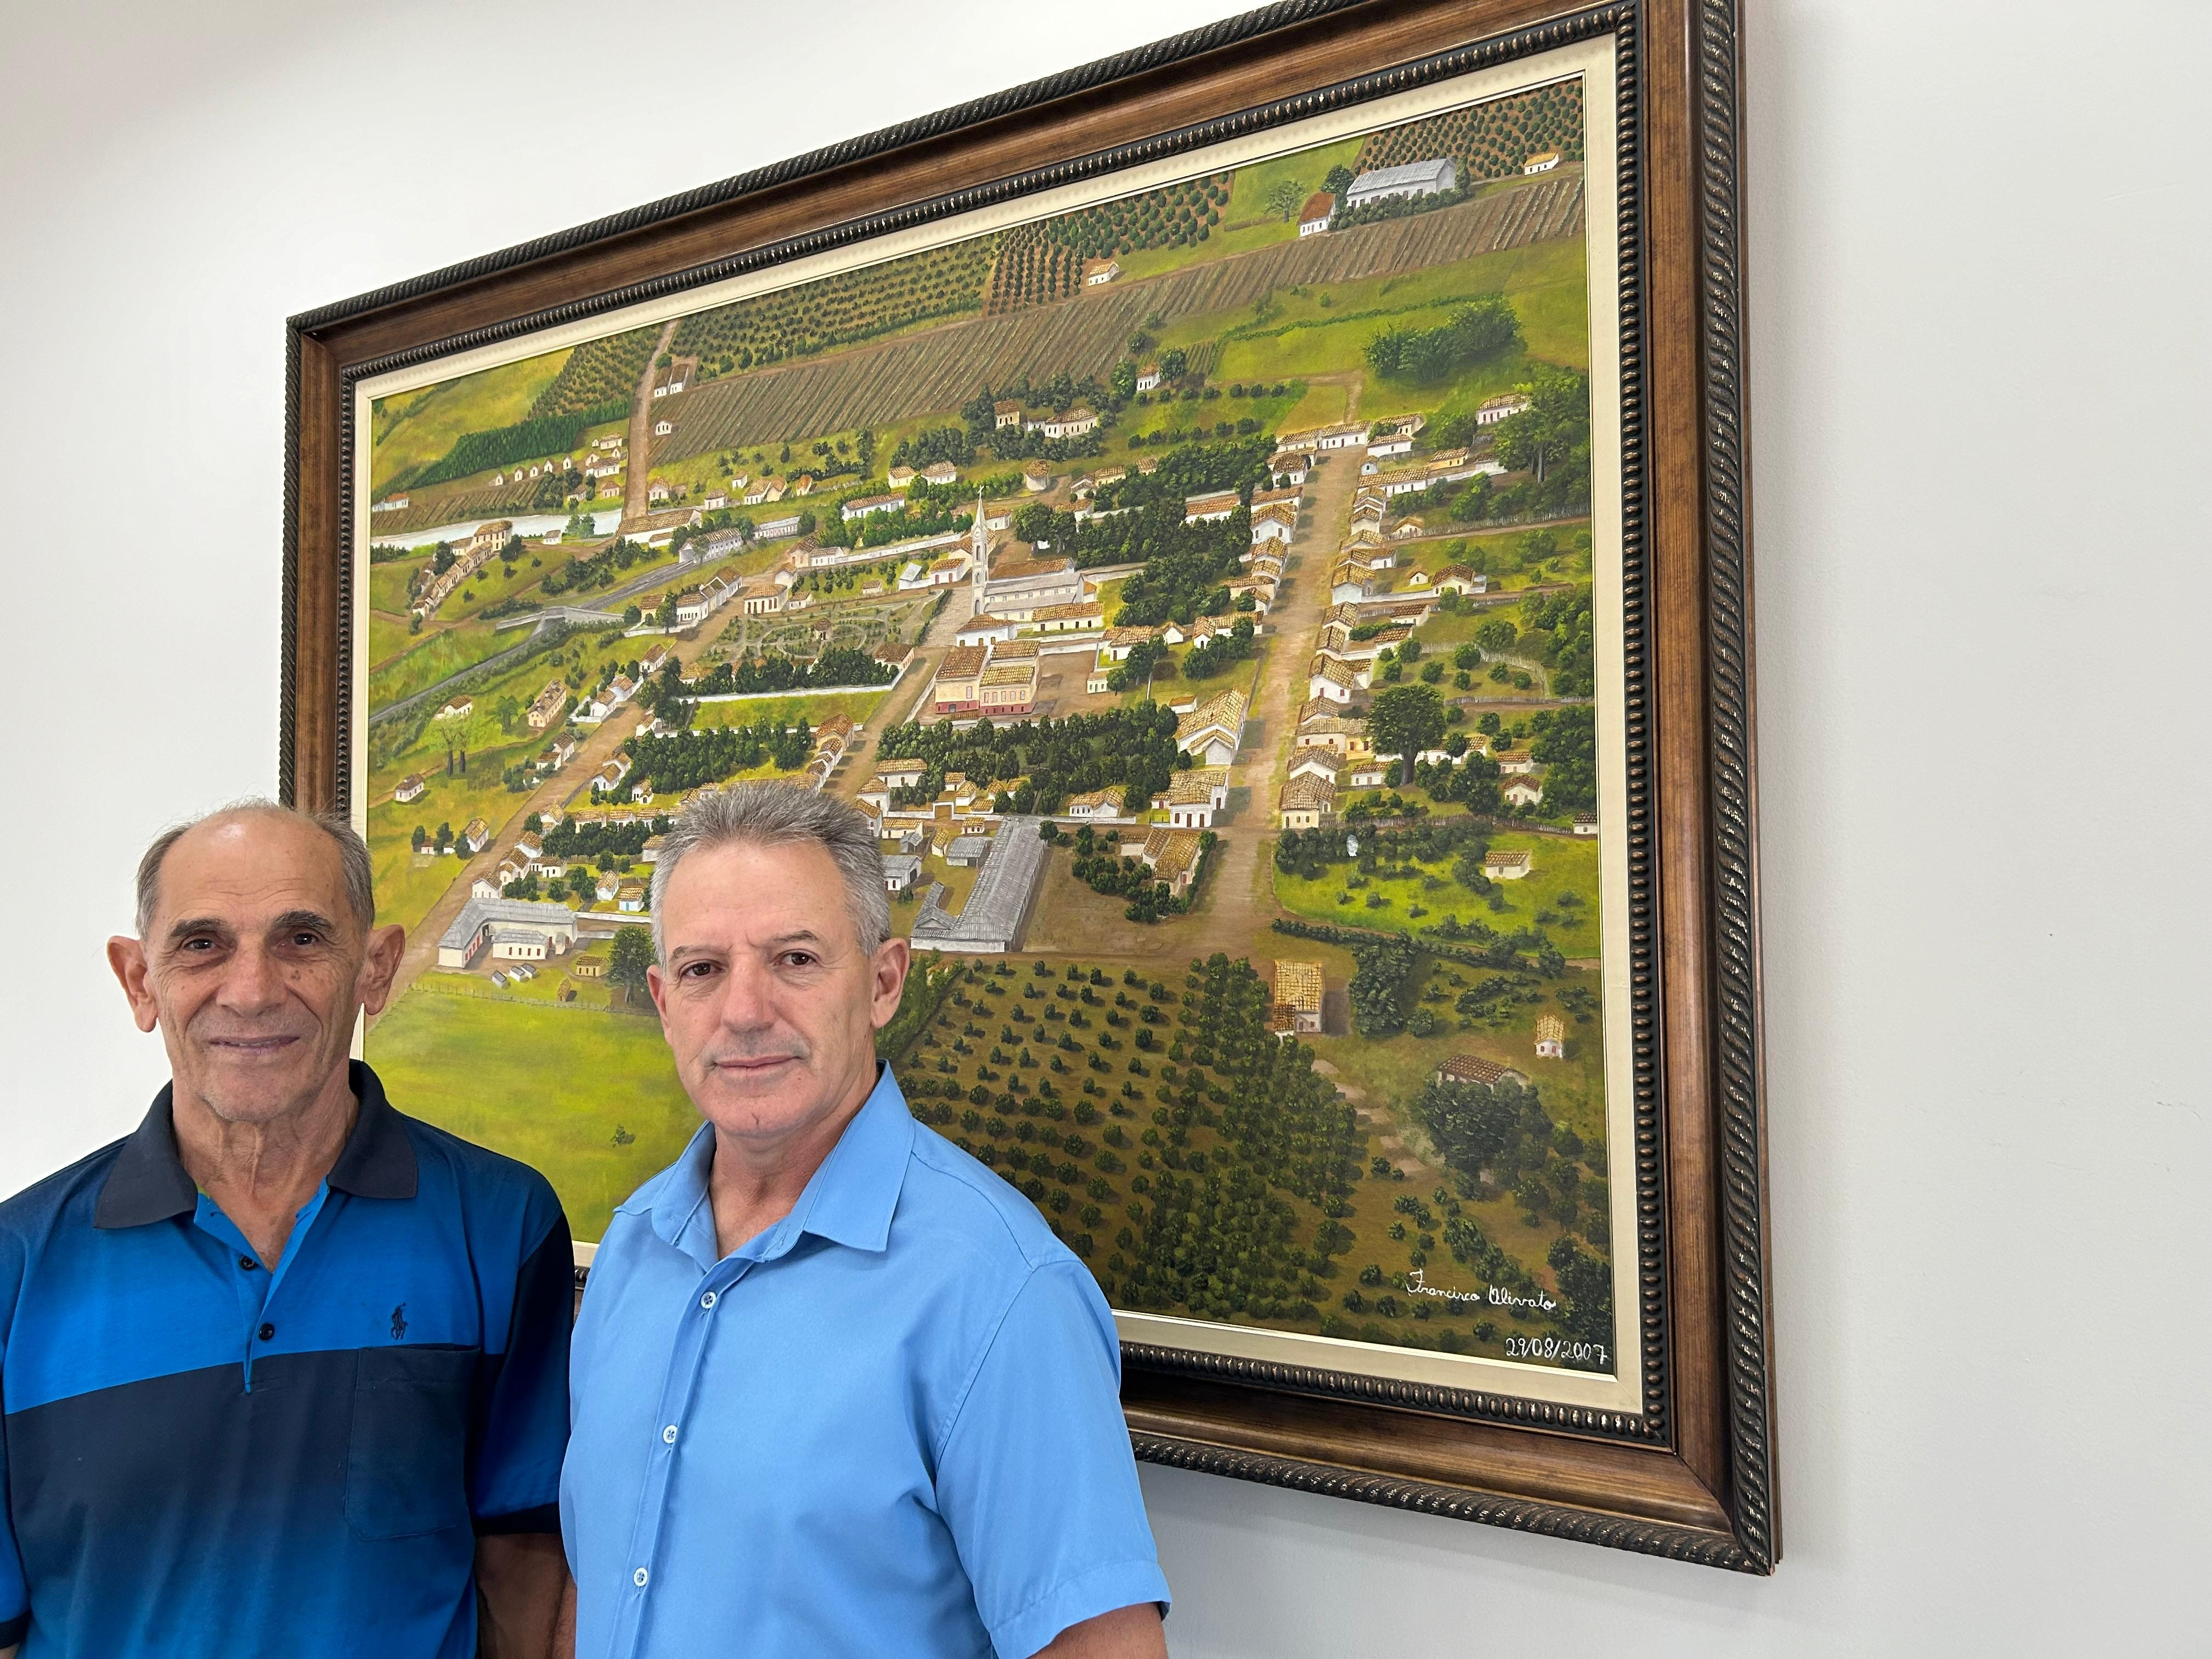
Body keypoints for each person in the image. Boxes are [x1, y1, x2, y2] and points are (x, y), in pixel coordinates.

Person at [562, 783, 1170, 1658]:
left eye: (796, 960)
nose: (743, 1011)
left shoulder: (999, 1293)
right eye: (703, 970)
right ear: (664, 1003)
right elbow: (600, 1579)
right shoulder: (630, 1251)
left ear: (884, 983)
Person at [0, 802, 573, 1659]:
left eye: (302, 939)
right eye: (202, 944)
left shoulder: (502, 1225)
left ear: (375, 969)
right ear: (139, 981)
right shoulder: (16, 1263)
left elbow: (524, 1567)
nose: (253, 989)